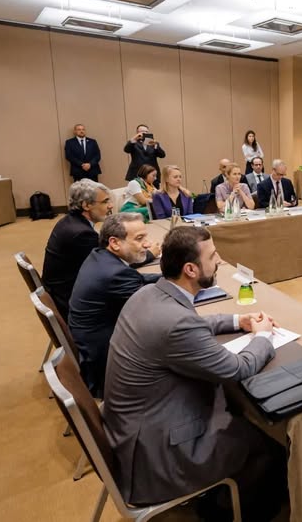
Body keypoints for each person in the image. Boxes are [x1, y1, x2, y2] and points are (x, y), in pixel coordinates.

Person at [103, 226, 284, 519]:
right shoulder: (175, 323)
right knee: (267, 446)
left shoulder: (149, 293)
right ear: (190, 269)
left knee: (238, 411)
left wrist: (238, 320)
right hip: (157, 454)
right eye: (212, 256)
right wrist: (263, 335)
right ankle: (224, 511)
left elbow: (193, 325)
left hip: (137, 428)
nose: (219, 261)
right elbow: (237, 369)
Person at [68, 213, 162, 398]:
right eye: (139, 239)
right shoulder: (114, 273)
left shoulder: (100, 256)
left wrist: (170, 276)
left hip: (92, 343)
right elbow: (155, 307)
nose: (147, 244)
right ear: (115, 243)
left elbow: (138, 279)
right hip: (107, 362)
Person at [42, 179, 113, 322]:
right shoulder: (82, 234)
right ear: (86, 205)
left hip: (60, 292)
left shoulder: (70, 221)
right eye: (105, 201)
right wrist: (146, 255)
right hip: (70, 302)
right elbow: (109, 266)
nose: (110, 205)